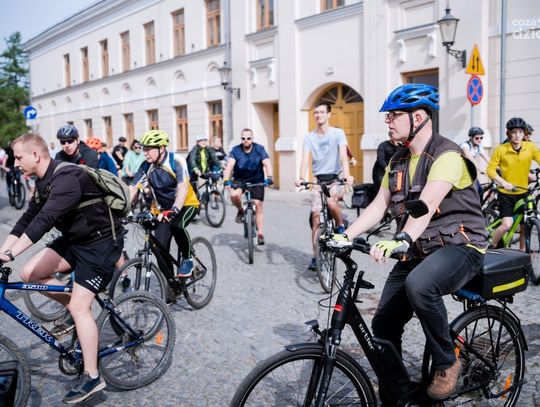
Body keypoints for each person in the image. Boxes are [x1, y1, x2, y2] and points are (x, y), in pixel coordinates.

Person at [338, 83, 487, 402]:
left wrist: (402, 238)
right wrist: (345, 235)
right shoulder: (398, 160)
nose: (387, 121)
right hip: (420, 250)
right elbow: (378, 205)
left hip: (461, 246)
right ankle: (398, 393)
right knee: (383, 324)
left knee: (420, 285)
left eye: (393, 115)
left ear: (417, 117)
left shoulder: (447, 155)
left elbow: (427, 205)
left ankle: (447, 362)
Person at [0, 133, 124, 403]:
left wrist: (10, 254)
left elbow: (44, 221)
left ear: (35, 155)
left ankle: (92, 376)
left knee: (79, 307)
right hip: (75, 240)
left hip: (100, 243)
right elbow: (27, 219)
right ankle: (78, 311)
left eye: (18, 157)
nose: (15, 163)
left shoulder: (67, 179)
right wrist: (2, 251)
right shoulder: (43, 182)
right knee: (29, 273)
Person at [130, 129, 199, 277]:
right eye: (143, 149)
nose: (145, 153)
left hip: (186, 204)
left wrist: (174, 209)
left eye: (148, 149)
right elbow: (133, 188)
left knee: (177, 225)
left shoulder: (176, 160)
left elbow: (182, 187)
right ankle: (172, 284)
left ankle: (188, 259)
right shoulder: (146, 166)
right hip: (163, 210)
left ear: (161, 148)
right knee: (159, 248)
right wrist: (124, 210)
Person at [294, 102, 354, 271]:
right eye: (316, 112)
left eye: (321, 112)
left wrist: (347, 175)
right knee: (315, 218)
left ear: (329, 114)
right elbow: (305, 159)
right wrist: (301, 177)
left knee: (331, 202)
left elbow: (343, 156)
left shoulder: (338, 133)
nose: (318, 115)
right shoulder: (309, 137)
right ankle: (315, 257)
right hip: (318, 181)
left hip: (335, 178)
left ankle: (340, 225)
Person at [486, 117, 540, 249]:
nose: (517, 135)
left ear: (524, 133)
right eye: (514, 132)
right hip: (506, 194)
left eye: (520, 132)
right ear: (509, 133)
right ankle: (492, 246)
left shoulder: (530, 147)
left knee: (525, 225)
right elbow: (490, 170)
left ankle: (522, 252)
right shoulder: (501, 149)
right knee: (507, 224)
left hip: (523, 192)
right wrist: (503, 182)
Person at [223, 128, 273, 245]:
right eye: (243, 138)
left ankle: (260, 234)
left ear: (252, 139)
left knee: (258, 206)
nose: (246, 140)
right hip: (240, 180)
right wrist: (226, 180)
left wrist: (270, 177)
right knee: (234, 195)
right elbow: (229, 166)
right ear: (241, 139)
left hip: (257, 180)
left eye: (248, 138)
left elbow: (267, 163)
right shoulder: (236, 150)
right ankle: (241, 210)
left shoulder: (259, 149)